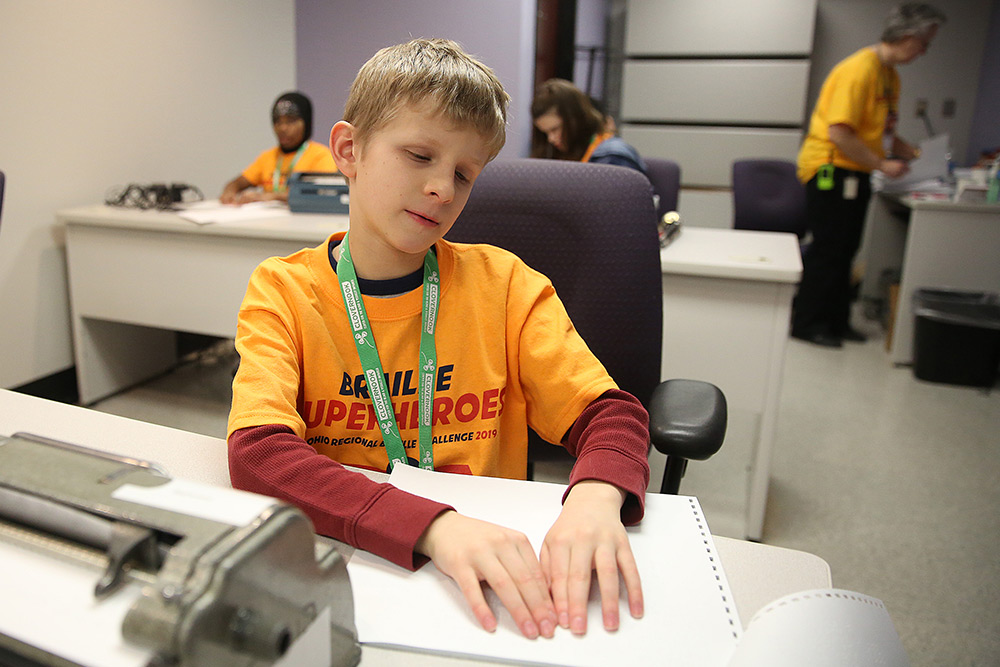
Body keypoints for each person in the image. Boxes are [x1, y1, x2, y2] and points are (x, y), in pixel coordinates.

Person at [227, 39, 650, 641]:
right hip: (349, 560)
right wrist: (432, 526)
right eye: (419, 155)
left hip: (489, 575)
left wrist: (595, 496)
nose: (442, 190)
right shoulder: (284, 292)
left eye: (463, 174)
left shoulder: (504, 286)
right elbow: (258, 452)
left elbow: (613, 415)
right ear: (349, 150)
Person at [792, 3, 946, 348]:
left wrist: (915, 154)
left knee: (847, 250)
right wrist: (882, 165)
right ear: (908, 37)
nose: (924, 52)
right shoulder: (858, 70)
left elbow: (880, 134)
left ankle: (836, 320)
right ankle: (807, 322)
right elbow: (840, 133)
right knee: (828, 250)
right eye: (924, 44)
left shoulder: (889, 76)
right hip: (831, 170)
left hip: (856, 171)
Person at [220, 91, 337, 205]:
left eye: (290, 121)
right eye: (278, 122)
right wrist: (230, 190)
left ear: (306, 123)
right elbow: (238, 183)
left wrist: (271, 196)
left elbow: (320, 193)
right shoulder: (267, 157)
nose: (283, 128)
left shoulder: (321, 155)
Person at [531, 78, 646, 174]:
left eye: (555, 129)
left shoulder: (612, 158)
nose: (551, 139)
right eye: (545, 133)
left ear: (575, 120)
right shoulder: (556, 153)